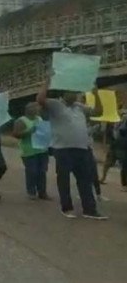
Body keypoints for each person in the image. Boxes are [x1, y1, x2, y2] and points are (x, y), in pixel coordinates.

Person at [36, 79, 107, 220]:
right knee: (64, 179)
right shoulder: (55, 104)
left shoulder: (79, 107)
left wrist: (96, 93)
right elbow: (40, 99)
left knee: (85, 179)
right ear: (64, 93)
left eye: (76, 92)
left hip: (82, 149)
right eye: (72, 92)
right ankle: (67, 207)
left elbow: (99, 111)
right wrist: (47, 83)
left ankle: (90, 209)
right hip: (63, 149)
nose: (75, 95)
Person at [12, 102, 50, 200]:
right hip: (29, 151)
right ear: (28, 109)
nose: (38, 109)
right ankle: (31, 191)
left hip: (42, 150)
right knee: (32, 171)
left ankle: (42, 192)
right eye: (35, 107)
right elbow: (16, 134)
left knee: (42, 172)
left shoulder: (39, 119)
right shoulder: (21, 121)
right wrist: (29, 131)